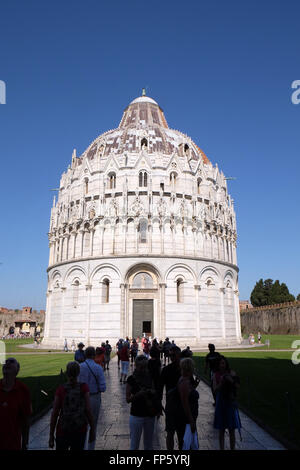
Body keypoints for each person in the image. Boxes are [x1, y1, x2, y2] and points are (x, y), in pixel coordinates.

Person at [49, 361, 95, 450]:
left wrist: (51, 435)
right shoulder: (84, 388)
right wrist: (92, 429)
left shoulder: (60, 389)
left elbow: (55, 413)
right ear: (78, 373)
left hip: (63, 429)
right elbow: (88, 410)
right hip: (79, 429)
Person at [126, 355, 162, 450]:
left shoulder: (150, 377)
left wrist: (153, 392)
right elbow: (127, 399)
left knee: (149, 443)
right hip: (136, 415)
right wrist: (138, 394)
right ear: (136, 366)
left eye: (145, 367)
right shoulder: (131, 379)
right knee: (134, 443)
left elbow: (156, 392)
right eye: (141, 367)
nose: (143, 369)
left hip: (150, 414)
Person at [0, 358, 32, 450]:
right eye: (6, 362)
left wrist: (25, 443)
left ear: (17, 370)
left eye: (11, 362)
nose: (7, 363)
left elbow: (26, 420)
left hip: (13, 443)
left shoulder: (23, 390)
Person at [78, 347, 106, 450]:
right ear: (94, 354)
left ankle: (81, 446)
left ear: (85, 354)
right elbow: (103, 388)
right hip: (94, 398)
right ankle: (91, 448)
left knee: (82, 424)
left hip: (81, 399)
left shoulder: (79, 367)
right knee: (93, 425)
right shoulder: (98, 368)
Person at [213, 356, 241, 450]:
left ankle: (232, 448)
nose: (222, 365)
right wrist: (221, 382)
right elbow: (215, 389)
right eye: (221, 363)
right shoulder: (216, 374)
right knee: (221, 428)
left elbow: (237, 386)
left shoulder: (231, 373)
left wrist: (231, 379)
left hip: (230, 401)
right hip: (221, 402)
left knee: (231, 428)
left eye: (224, 363)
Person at [158, 345, 182, 450]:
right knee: (170, 432)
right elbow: (160, 388)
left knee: (182, 434)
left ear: (179, 355)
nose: (171, 357)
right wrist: (159, 403)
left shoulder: (185, 370)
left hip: (183, 405)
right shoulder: (166, 370)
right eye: (170, 355)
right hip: (171, 405)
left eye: (173, 355)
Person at [177, 358, 200, 449]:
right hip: (186, 419)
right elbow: (185, 403)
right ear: (189, 368)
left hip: (189, 418)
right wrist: (191, 421)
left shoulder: (185, 380)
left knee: (190, 444)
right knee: (187, 445)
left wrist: (195, 386)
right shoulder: (184, 382)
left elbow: (189, 395)